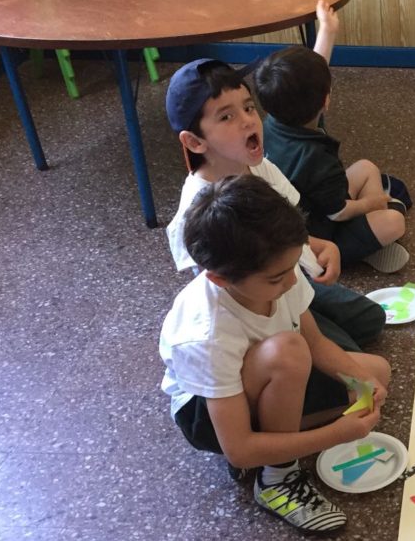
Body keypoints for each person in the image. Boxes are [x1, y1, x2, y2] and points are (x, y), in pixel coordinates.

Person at [160, 174, 391, 534]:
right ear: (220, 279)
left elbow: (316, 343)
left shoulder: (279, 274)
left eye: (292, 267)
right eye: (276, 278)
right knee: (287, 351)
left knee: (375, 372)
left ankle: (271, 442)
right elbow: (238, 449)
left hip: (274, 372)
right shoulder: (204, 333)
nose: (291, 283)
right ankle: (277, 478)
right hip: (207, 417)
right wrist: (336, 434)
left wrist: (360, 381)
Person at [165, 56, 385, 356]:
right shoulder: (200, 207)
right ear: (194, 142)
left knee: (370, 320)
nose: (247, 120)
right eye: (226, 117)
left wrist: (323, 247)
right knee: (329, 354)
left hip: (289, 282)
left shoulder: (260, 168)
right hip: (257, 313)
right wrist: (299, 325)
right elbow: (230, 292)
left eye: (248, 107)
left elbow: (288, 233)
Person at [255, 0, 411, 274]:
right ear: (325, 101)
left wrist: (327, 31)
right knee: (395, 218)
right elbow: (337, 211)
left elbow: (311, 74)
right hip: (316, 233)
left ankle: (369, 236)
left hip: (306, 206)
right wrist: (370, 204)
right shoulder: (316, 157)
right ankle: (356, 250)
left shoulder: (275, 117)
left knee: (366, 167)